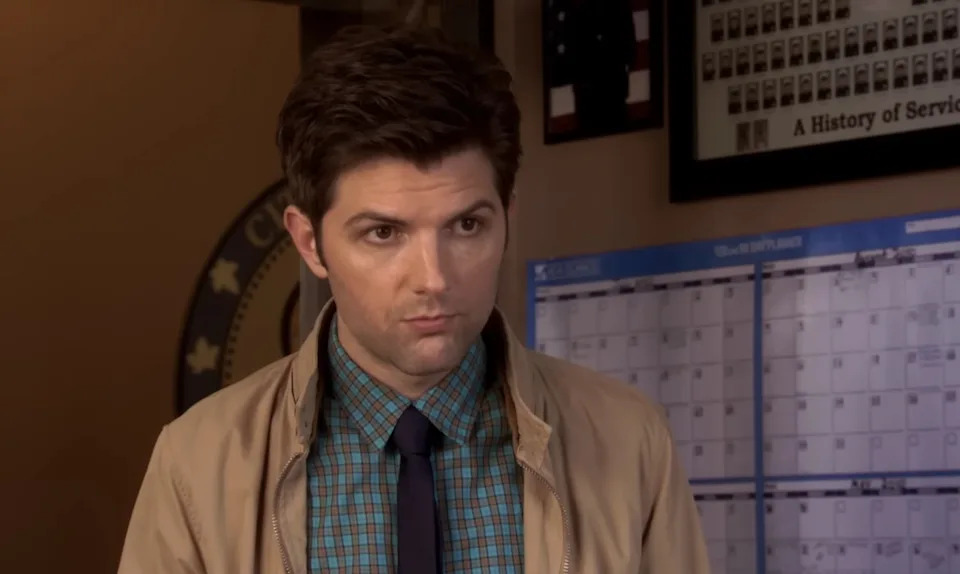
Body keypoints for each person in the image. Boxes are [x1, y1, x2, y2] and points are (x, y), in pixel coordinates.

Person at [117, 24, 709, 574]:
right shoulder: (196, 463)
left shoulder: (629, 440)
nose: (434, 278)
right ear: (309, 242)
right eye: (384, 233)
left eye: (467, 226)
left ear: (508, 218)